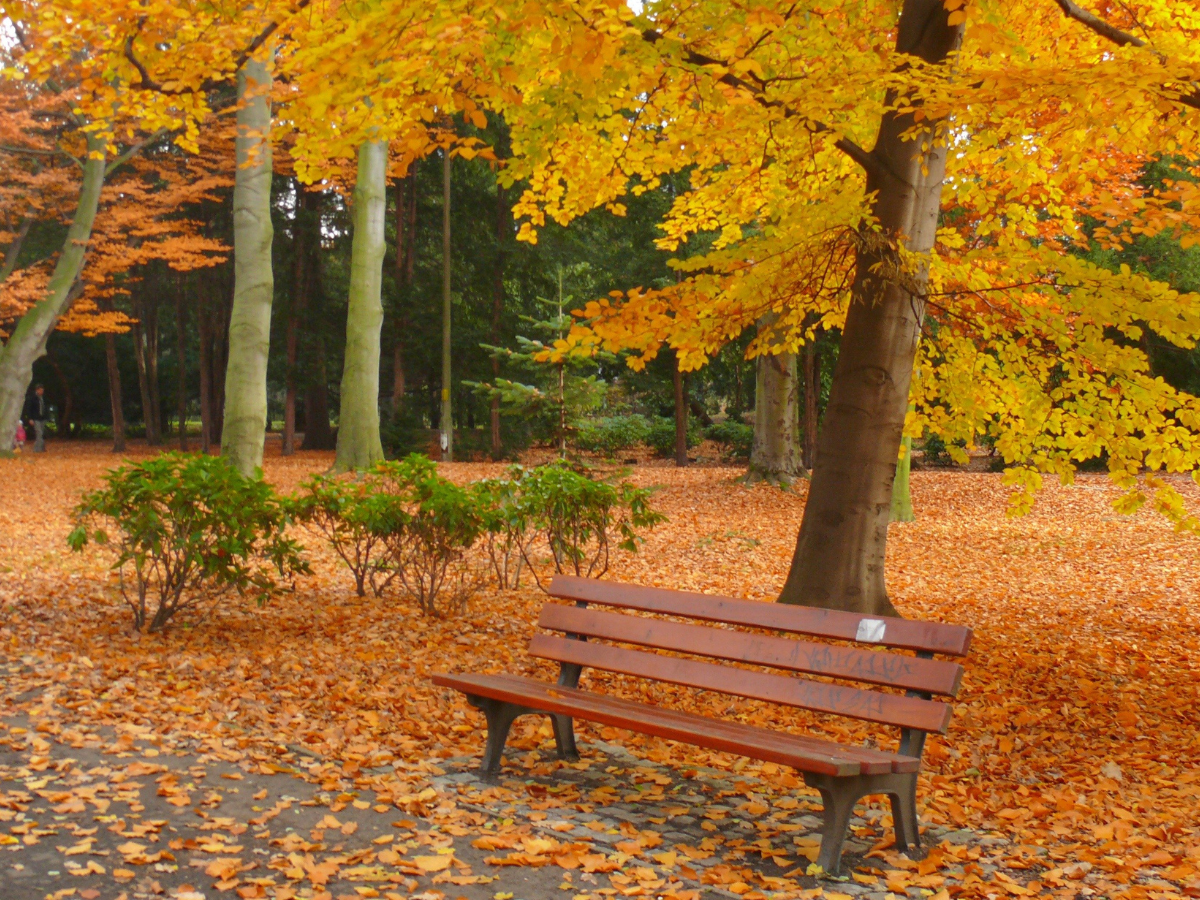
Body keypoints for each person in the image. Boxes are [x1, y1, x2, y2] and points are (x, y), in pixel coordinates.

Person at [23, 384, 49, 453]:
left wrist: (47, 417)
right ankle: (36, 449)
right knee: (39, 432)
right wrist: (30, 418)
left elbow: (46, 407)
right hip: (35, 418)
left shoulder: (44, 398)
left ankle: (42, 448)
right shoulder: (32, 398)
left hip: (43, 418)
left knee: (41, 433)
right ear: (37, 390)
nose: (41, 392)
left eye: (42, 390)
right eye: (40, 390)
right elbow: (29, 409)